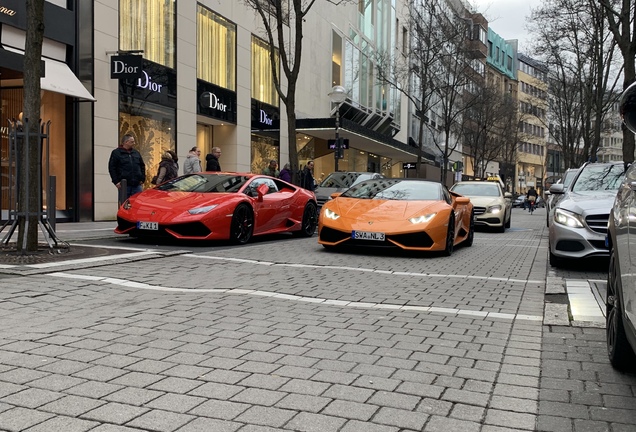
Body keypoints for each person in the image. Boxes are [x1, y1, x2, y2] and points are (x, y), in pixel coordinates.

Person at [108, 133, 146, 200]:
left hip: (137, 184)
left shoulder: (136, 153)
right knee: (125, 204)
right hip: (124, 185)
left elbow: (142, 166)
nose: (134, 143)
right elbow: (112, 167)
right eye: (132, 142)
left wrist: (142, 178)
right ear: (126, 142)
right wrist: (116, 181)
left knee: (138, 203)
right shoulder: (116, 153)